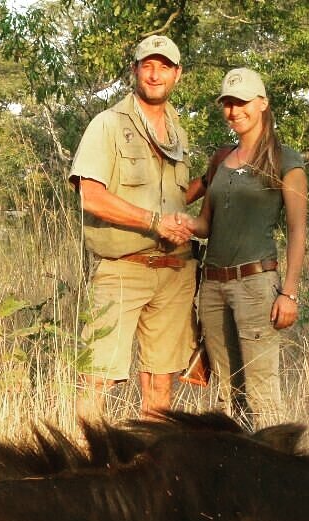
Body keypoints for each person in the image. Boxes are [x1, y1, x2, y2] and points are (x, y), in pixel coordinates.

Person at [69, 34, 197, 422]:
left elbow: (171, 201)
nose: (155, 74)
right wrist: (155, 223)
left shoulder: (179, 132)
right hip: (122, 267)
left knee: (160, 382)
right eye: (147, 65)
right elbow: (90, 196)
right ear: (135, 71)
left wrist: (207, 185)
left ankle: (151, 475)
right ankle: (86, 471)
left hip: (175, 272)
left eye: (164, 67)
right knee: (97, 379)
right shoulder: (107, 124)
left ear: (178, 74)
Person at [181, 67, 308, 427]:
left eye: (242, 103)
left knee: (262, 393)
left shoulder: (286, 160)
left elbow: (298, 231)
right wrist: (180, 223)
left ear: (262, 103)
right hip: (213, 287)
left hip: (256, 285)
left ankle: (276, 472)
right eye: (228, 104)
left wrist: (290, 294)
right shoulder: (221, 160)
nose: (234, 111)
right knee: (226, 394)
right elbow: (205, 223)